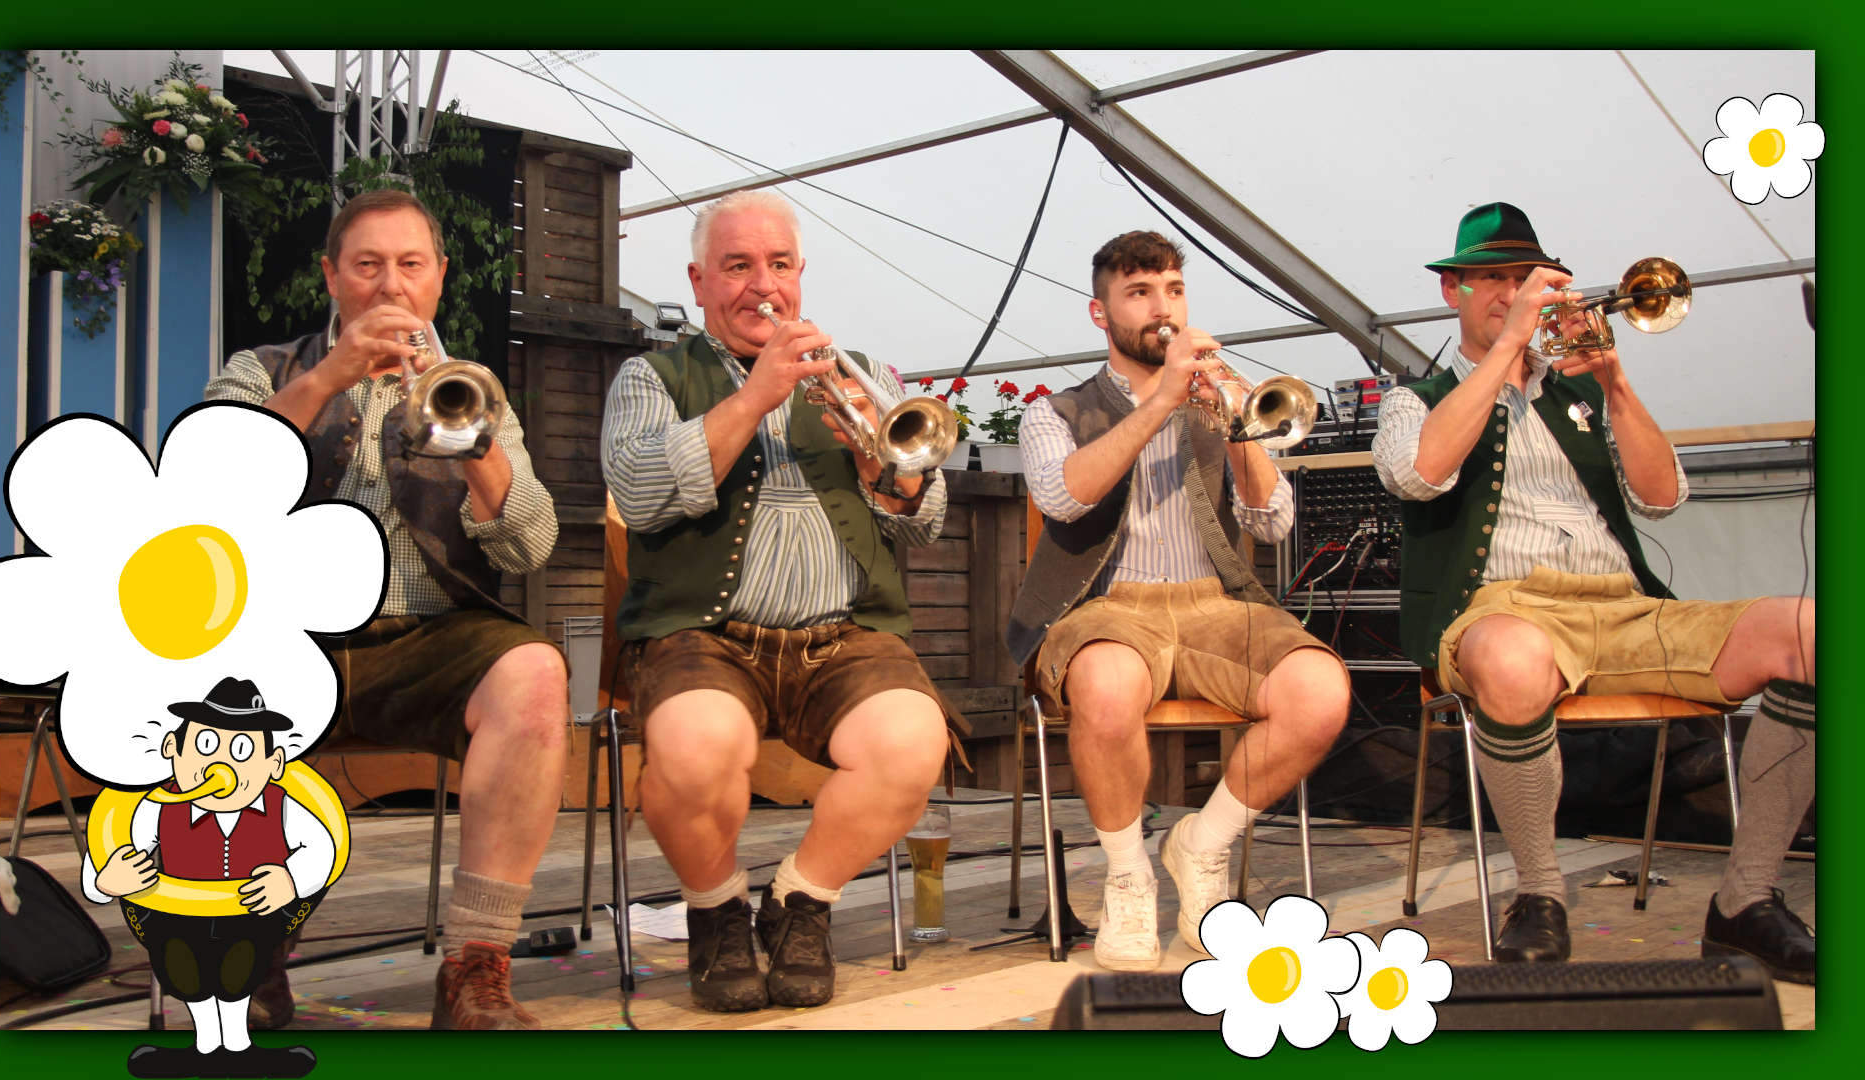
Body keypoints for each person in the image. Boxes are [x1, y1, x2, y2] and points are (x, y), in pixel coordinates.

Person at [1374, 202, 1815, 980]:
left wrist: (1615, 382)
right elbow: (1419, 474)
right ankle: (1539, 895)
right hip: (1503, 609)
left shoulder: (1574, 395)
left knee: (1813, 632)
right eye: (1492, 280)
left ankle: (1744, 901)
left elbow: (1661, 496)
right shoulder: (1419, 395)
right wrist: (1507, 349)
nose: (1511, 294)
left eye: (1525, 279)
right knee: (1511, 660)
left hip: (1624, 606)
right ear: (1454, 292)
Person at [206, 189, 567, 1027]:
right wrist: (331, 377)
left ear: (439, 280)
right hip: (281, 634)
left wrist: (475, 448)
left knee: (537, 675)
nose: (390, 286)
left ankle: (476, 968)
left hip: (429, 633)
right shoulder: (263, 370)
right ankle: (243, 950)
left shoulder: (474, 390)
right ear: (333, 277)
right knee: (213, 682)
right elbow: (206, 483)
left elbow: (531, 545)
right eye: (368, 265)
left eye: (410, 265)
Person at [601, 190, 956, 1011]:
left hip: (844, 637)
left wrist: (886, 477)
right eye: (737, 267)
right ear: (698, 281)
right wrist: (753, 396)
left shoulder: (862, 376)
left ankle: (802, 901)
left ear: (801, 275)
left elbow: (924, 522)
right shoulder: (650, 378)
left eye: (779, 265)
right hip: (703, 636)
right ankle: (717, 908)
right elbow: (645, 492)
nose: (763, 285)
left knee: (912, 742)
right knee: (694, 747)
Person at [1005, 230, 1350, 972]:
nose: (1161, 308)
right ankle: (1128, 874)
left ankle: (1203, 844)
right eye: (1139, 293)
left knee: (1321, 691)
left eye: (1173, 290)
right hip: (1104, 605)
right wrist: (1159, 403)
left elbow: (1275, 521)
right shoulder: (1055, 411)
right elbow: (1064, 497)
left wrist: (1235, 426)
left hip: (1213, 604)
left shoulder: (1215, 400)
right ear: (1101, 314)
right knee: (1104, 686)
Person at [85, 677, 329, 1080]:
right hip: (179, 918)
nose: (222, 764)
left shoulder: (282, 805)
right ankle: (205, 1045)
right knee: (183, 963)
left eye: (243, 750)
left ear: (274, 763)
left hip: (252, 916)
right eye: (205, 745)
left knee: (241, 962)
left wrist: (290, 880)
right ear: (173, 750)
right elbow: (113, 854)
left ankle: (236, 1045)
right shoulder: (157, 807)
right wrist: (106, 880)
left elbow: (322, 851)